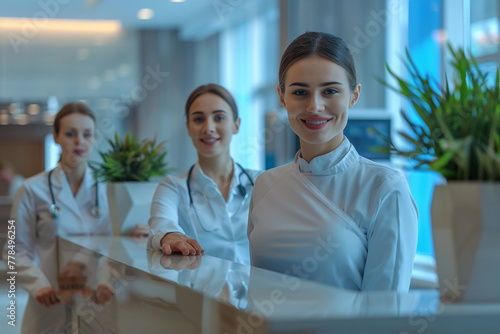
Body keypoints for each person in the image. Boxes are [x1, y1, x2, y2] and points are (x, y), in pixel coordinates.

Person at [247, 32, 418, 291]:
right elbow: (255, 289)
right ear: (282, 97)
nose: (314, 106)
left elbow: (385, 313)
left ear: (354, 95)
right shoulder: (265, 184)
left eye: (330, 91)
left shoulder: (385, 188)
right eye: (300, 92)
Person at [3, 102, 113, 334]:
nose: (79, 141)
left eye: (87, 134)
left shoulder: (109, 190)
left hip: (95, 301)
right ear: (55, 137)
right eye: (70, 133)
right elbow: (14, 250)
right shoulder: (31, 189)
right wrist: (38, 285)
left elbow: (112, 245)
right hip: (47, 302)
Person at [148, 83, 260, 265]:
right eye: (198, 119)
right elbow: (160, 223)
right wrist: (170, 235)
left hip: (258, 291)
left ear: (236, 125)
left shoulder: (262, 181)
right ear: (188, 127)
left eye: (219, 118)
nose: (209, 127)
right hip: (201, 292)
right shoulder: (173, 187)